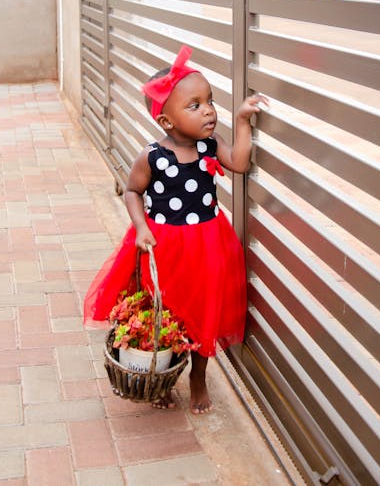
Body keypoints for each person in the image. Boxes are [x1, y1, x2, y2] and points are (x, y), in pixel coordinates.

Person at [84, 45, 268, 414]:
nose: (209, 111)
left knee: (205, 309)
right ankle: (163, 372)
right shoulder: (152, 156)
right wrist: (140, 227)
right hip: (165, 245)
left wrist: (244, 121)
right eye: (195, 105)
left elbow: (241, 162)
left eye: (210, 101)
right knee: (166, 311)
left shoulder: (211, 146)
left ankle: (198, 376)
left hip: (209, 243)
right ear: (167, 122)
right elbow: (133, 191)